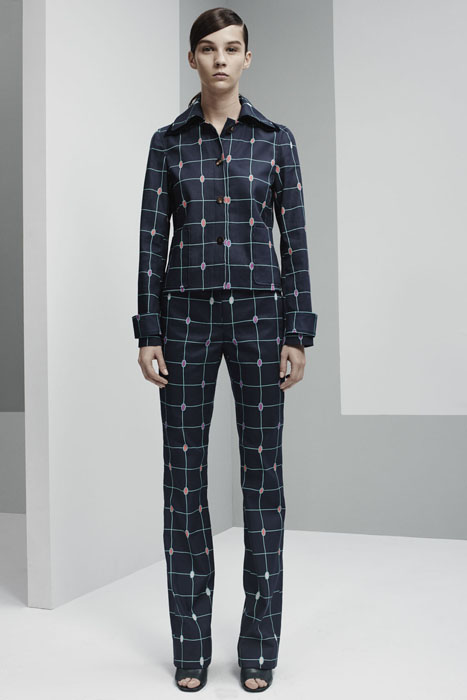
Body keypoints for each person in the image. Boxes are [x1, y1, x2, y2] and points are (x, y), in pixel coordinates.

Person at [131, 7, 318, 693]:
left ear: (247, 58)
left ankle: (259, 649)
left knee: (263, 482)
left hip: (261, 319)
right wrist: (148, 330)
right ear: (192, 59)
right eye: (207, 48)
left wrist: (298, 331)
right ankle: (190, 648)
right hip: (183, 319)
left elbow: (294, 242)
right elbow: (151, 241)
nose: (219, 59)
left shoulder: (276, 141)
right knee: (182, 483)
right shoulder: (167, 144)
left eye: (231, 48)